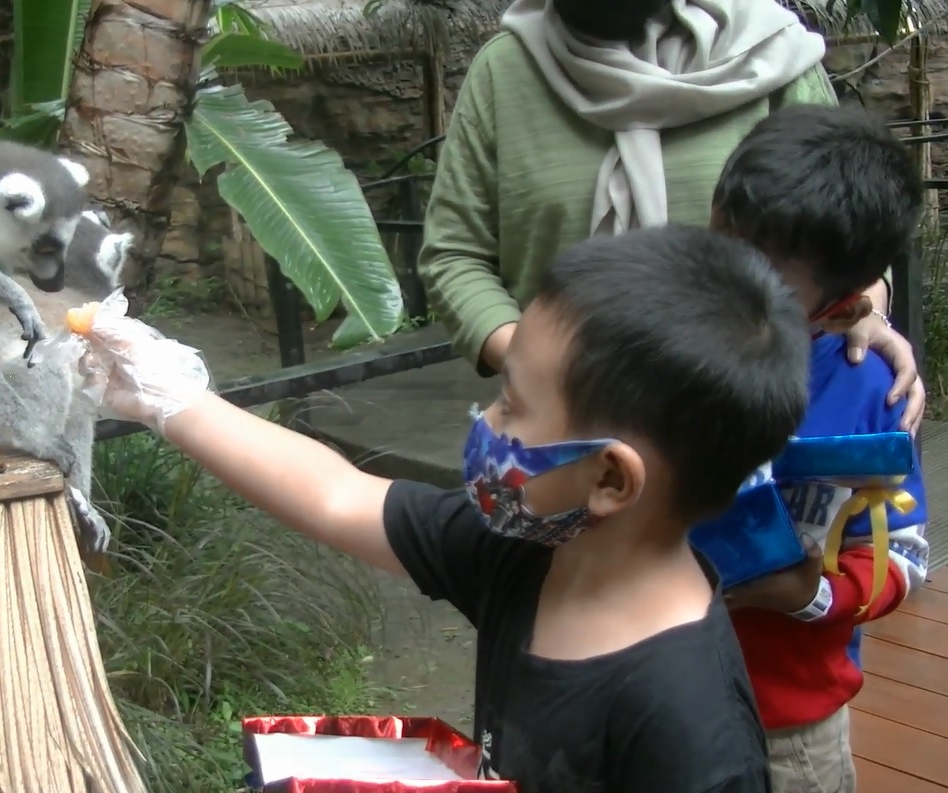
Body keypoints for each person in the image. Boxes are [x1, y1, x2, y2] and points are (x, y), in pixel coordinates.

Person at [80, 224, 814, 792]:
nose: (484, 422)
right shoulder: (533, 549)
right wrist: (171, 398)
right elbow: (339, 496)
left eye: (511, 404)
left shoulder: (693, 731)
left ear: (610, 480)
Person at [418, 0, 926, 433]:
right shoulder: (504, 72)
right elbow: (455, 255)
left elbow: (848, 224)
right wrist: (545, 368)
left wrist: (866, 316)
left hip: (750, 423)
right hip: (564, 427)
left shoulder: (771, 52)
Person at [704, 104, 931, 793]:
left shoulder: (869, 394)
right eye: (719, 250)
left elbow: (905, 554)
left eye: (765, 284)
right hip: (654, 684)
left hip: (789, 720)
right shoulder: (663, 352)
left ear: (839, 309)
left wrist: (811, 594)